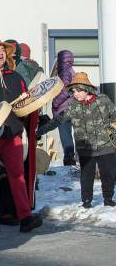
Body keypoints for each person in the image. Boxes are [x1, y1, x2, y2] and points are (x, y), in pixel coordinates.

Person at [0, 36, 41, 232]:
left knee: (17, 176)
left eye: (2, 50)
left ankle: (25, 217)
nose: (0, 53)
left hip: (13, 132)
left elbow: (25, 103)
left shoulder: (15, 76)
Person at [38, 72, 116, 208]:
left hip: (106, 145)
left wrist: (113, 138)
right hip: (85, 147)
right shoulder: (72, 106)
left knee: (108, 174)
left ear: (87, 89)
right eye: (73, 91)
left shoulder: (103, 100)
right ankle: (86, 201)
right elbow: (58, 120)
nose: (76, 94)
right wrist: (39, 132)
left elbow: (114, 118)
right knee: (86, 175)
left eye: (79, 90)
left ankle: (108, 199)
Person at [50, 50, 78, 166]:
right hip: (73, 107)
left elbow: (66, 90)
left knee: (66, 136)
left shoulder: (64, 71)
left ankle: (69, 159)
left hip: (64, 109)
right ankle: (76, 158)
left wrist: (55, 102)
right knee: (76, 135)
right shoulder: (70, 70)